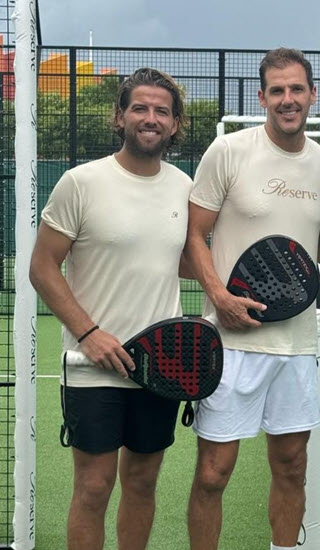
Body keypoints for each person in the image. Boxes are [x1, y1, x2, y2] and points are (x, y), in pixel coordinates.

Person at [184, 48, 320, 550]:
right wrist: (219, 298)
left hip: (298, 348)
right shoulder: (229, 151)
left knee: (292, 467)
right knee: (213, 472)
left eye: (296, 89)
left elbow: (319, 246)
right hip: (232, 343)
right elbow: (195, 235)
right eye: (276, 90)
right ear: (261, 97)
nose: (287, 99)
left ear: (312, 95)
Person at [29, 68, 192, 550]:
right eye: (140, 108)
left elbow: (184, 261)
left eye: (162, 111)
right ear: (119, 117)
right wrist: (88, 333)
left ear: (175, 124)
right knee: (94, 487)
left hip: (159, 366)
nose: (151, 118)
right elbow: (42, 267)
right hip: (92, 364)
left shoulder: (185, 187)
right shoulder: (81, 183)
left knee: (142, 484)